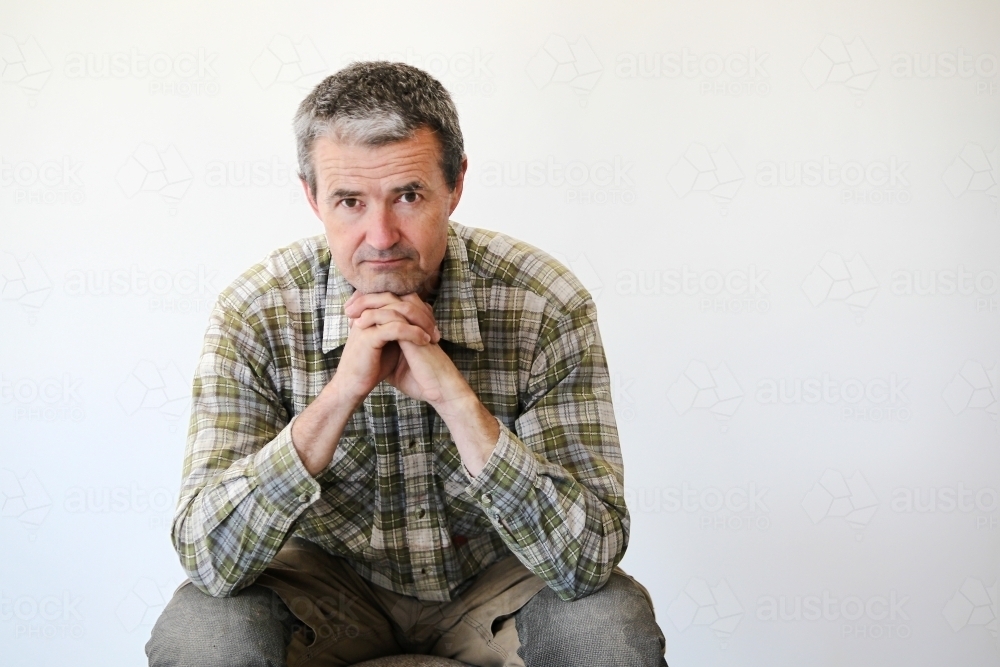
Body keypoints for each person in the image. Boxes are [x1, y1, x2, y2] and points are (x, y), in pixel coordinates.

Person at [146, 61, 667, 667]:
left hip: (498, 585)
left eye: (409, 195)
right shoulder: (255, 312)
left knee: (610, 625)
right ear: (312, 198)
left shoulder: (543, 302)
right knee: (203, 630)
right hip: (324, 593)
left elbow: (589, 557)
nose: (381, 235)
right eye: (348, 201)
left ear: (456, 186)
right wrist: (340, 395)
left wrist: (457, 401)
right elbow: (209, 558)